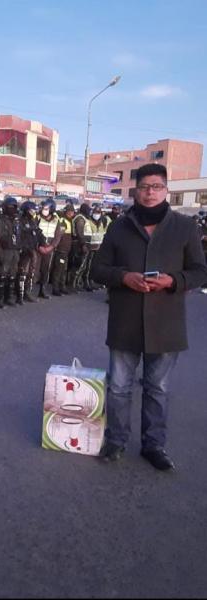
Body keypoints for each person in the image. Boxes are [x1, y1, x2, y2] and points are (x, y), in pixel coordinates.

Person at [91, 163, 207, 471]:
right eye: (144, 187)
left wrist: (173, 281)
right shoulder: (120, 226)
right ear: (136, 191)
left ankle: (153, 445)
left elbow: (200, 272)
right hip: (125, 320)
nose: (150, 192)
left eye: (156, 187)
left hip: (166, 323)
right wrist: (124, 277)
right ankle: (116, 441)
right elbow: (97, 269)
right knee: (118, 387)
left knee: (158, 389)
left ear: (166, 190)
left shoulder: (184, 226)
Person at [0, 196, 22, 308]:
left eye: (14, 207)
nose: (12, 209)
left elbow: (20, 235)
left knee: (12, 275)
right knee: (1, 275)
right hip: (4, 252)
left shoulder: (17, 220)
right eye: (9, 207)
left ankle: (8, 297)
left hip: (15, 251)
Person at [17, 200, 43, 304]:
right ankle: (20, 295)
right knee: (22, 273)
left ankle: (27, 292)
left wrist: (42, 242)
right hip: (24, 251)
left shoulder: (33, 221)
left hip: (32, 250)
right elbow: (20, 236)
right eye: (31, 210)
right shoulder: (20, 221)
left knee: (31, 273)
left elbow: (37, 232)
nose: (33, 213)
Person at [37, 198, 62, 299]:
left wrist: (51, 247)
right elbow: (34, 232)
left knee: (46, 270)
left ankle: (43, 289)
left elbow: (58, 236)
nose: (44, 210)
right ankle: (27, 290)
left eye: (46, 208)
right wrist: (39, 246)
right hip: (38, 247)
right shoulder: (37, 217)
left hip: (49, 248)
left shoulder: (57, 220)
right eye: (43, 208)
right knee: (34, 269)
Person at [51, 203, 75, 296]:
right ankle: (56, 288)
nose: (72, 213)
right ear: (67, 212)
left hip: (66, 249)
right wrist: (58, 246)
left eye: (72, 211)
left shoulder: (69, 221)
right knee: (59, 269)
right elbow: (59, 236)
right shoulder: (63, 221)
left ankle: (62, 286)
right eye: (71, 211)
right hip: (61, 249)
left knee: (64, 269)